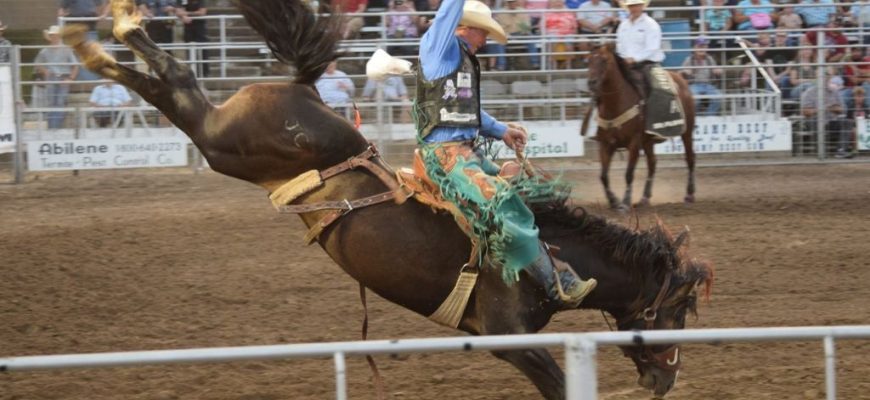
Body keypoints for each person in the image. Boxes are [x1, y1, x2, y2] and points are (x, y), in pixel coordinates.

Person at [414, 0, 596, 306]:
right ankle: (555, 284)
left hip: (465, 153)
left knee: (524, 182)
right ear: (465, 27)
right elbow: (446, 13)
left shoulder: (460, 61)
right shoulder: (437, 48)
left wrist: (502, 131)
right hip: (446, 157)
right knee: (502, 204)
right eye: (483, 32)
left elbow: (466, 110)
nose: (486, 40)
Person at [616, 0, 664, 103]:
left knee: (653, 88)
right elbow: (619, 46)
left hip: (647, 64)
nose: (634, 8)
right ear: (628, 8)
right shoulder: (623, 25)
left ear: (642, 6)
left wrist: (634, 59)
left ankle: (653, 111)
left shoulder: (651, 24)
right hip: (626, 64)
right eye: (631, 6)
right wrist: (624, 58)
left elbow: (652, 48)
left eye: (637, 5)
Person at [34, 25, 79, 129]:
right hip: (51, 78)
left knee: (59, 102)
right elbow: (37, 63)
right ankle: (52, 127)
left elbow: (75, 65)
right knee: (51, 102)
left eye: (56, 35)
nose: (54, 37)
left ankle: (55, 128)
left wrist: (71, 79)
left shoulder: (67, 49)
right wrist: (45, 71)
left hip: (64, 78)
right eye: (52, 35)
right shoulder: (45, 50)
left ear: (59, 36)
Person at [800, 75, 854, 158]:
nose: (826, 81)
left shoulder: (835, 92)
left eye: (827, 79)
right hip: (815, 120)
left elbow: (842, 109)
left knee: (847, 122)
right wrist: (822, 109)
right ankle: (820, 152)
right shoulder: (810, 92)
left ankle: (841, 151)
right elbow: (805, 112)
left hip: (831, 120)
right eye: (823, 79)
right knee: (814, 121)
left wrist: (834, 109)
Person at [494, 0, 540, 70]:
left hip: (520, 34)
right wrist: (507, 34)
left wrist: (524, 30)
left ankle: (535, 63)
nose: (512, 3)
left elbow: (527, 25)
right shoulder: (501, 12)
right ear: (507, 3)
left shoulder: (523, 11)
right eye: (510, 2)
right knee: (499, 41)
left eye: (514, 1)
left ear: (517, 2)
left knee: (530, 37)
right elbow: (499, 27)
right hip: (506, 34)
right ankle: (501, 65)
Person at [681, 37, 722, 116]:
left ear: (707, 48)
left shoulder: (710, 59)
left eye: (704, 47)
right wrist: (685, 71)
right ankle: (696, 116)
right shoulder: (689, 59)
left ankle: (710, 116)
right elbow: (680, 72)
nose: (702, 49)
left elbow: (715, 69)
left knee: (718, 98)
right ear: (694, 48)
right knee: (695, 99)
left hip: (708, 85)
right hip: (694, 84)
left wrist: (717, 71)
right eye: (699, 46)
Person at [175, 0, 209, 77]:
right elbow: (178, 12)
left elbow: (202, 12)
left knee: (203, 52)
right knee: (189, 52)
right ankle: (191, 75)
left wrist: (187, 13)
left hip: (200, 29)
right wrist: (183, 16)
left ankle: (204, 75)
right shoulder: (181, 1)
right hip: (188, 30)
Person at [544, 0, 578, 69]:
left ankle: (568, 65)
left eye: (559, 1)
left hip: (568, 32)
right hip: (552, 32)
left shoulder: (569, 12)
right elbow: (542, 25)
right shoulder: (547, 13)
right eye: (555, 1)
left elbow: (574, 25)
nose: (557, 3)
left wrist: (574, 32)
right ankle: (553, 65)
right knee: (553, 42)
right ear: (552, 3)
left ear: (563, 2)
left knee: (569, 43)